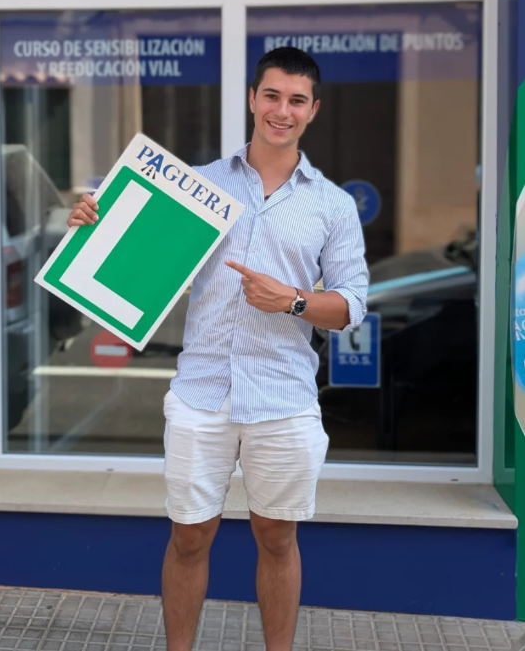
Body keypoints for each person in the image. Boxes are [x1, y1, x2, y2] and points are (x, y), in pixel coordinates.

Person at [67, 47, 369, 651]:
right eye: (272, 96)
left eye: (297, 100)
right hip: (201, 392)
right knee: (188, 536)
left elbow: (351, 305)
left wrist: (292, 300)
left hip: (283, 397)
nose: (282, 110)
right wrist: (94, 227)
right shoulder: (199, 187)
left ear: (313, 110)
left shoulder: (332, 205)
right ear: (253, 99)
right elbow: (134, 260)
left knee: (277, 538)